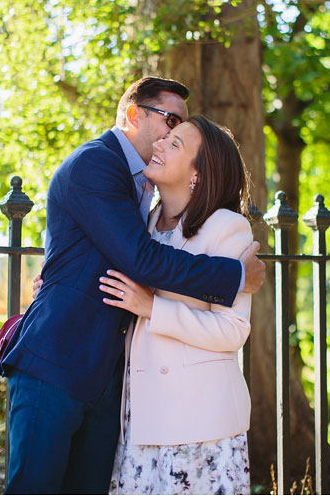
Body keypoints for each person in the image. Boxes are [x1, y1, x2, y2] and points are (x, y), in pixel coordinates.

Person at [0, 76, 265, 494]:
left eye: (180, 133)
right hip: (56, 364)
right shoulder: (96, 163)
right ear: (133, 115)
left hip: (112, 387)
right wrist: (234, 276)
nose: (171, 134)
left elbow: (120, 256)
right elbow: (141, 259)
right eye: (170, 121)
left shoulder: (147, 197)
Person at [100, 115, 253, 494]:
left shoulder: (226, 227)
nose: (159, 145)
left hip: (199, 421)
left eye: (174, 144)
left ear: (197, 172)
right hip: (140, 419)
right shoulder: (143, 225)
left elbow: (233, 330)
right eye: (164, 139)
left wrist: (154, 309)